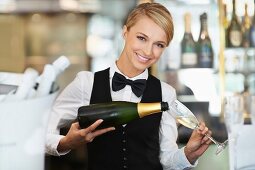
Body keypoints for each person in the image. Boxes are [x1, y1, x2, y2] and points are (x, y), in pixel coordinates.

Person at [46, 2, 212, 170]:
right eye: (142, 38)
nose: (148, 51)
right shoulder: (86, 83)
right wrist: (66, 143)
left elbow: (165, 159)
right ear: (125, 32)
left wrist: (189, 154)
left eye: (159, 45)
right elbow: (42, 132)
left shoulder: (166, 93)